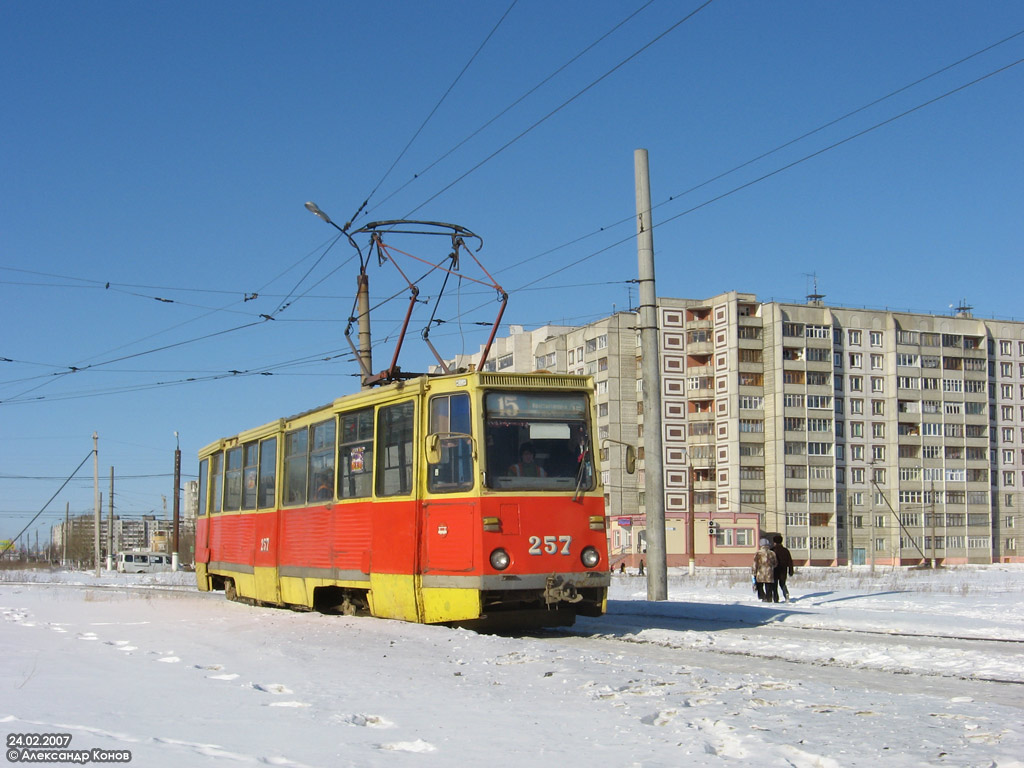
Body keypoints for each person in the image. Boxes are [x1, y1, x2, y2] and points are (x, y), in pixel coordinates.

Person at [752, 538, 777, 602]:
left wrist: (754, 572)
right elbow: (775, 563)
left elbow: (755, 564)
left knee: (760, 586)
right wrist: (771, 567)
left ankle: (763, 596)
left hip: (760, 573)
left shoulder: (758, 553)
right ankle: (768, 599)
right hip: (769, 573)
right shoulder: (772, 553)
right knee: (769, 587)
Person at [771, 534, 794, 603]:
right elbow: (790, 561)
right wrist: (791, 570)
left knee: (774, 585)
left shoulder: (772, 550)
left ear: (774, 542)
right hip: (783, 570)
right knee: (782, 583)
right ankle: (786, 593)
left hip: (774, 570)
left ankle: (775, 599)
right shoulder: (785, 551)